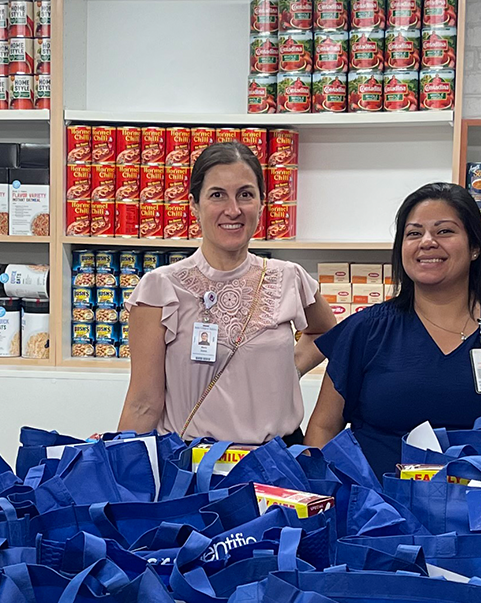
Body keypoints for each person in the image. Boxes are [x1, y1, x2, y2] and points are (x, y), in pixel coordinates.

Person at [304, 182, 481, 472]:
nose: (427, 242)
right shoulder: (366, 330)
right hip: (382, 509)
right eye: (414, 233)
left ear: (475, 246)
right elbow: (323, 428)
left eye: (444, 231)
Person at [118, 141, 337, 444]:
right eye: (217, 195)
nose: (233, 210)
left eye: (245, 195)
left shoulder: (289, 277)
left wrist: (289, 367)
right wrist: (123, 474)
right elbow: (143, 404)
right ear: (194, 204)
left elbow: (327, 332)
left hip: (278, 466)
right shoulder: (160, 289)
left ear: (261, 203)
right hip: (194, 470)